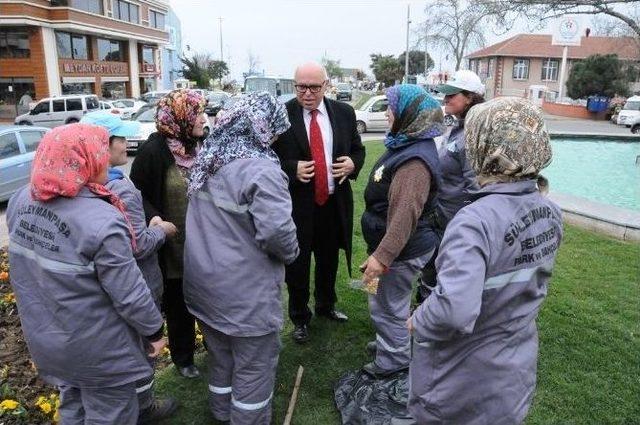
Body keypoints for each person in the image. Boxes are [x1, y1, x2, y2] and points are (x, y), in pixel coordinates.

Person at [408, 97, 563, 424]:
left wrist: (418, 320)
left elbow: (454, 312)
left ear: (485, 145)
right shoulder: (549, 211)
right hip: (513, 373)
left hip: (460, 386)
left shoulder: (474, 222)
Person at [6, 124, 166, 425]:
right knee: (112, 413)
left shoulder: (22, 200)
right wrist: (154, 331)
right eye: (100, 152)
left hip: (49, 338)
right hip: (99, 350)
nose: (105, 159)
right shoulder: (103, 220)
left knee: (73, 405)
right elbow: (129, 292)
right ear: (83, 159)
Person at [184, 92, 299, 424]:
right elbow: (279, 235)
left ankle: (221, 413)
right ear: (261, 127)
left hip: (204, 287)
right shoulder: (261, 172)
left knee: (221, 357)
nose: (276, 137)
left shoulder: (208, 160)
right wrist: (291, 254)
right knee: (253, 368)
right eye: (275, 129)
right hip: (244, 295)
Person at [80, 112, 178, 423]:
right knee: (141, 353)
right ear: (102, 147)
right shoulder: (119, 189)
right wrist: (162, 230)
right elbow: (137, 246)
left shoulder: (80, 182)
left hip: (101, 291)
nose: (126, 145)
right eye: (121, 140)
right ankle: (145, 406)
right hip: (139, 283)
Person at [272, 62, 366, 343]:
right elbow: (265, 157)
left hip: (332, 203)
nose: (308, 93)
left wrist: (352, 163)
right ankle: (300, 317)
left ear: (326, 86)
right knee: (297, 264)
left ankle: (326, 305)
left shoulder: (344, 113)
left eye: (314, 87)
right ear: (294, 85)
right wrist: (290, 169)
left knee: (328, 259)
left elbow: (358, 150)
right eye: (301, 87)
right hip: (297, 207)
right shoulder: (281, 115)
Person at [359, 84, 445, 377]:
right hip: (390, 246)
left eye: (392, 109)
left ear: (409, 115)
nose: (387, 113)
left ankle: (393, 360)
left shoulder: (414, 162)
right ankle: (390, 342)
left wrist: (381, 258)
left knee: (388, 307)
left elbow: (404, 215)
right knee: (381, 299)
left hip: (399, 251)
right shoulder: (407, 142)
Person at [130, 89, 208, 378]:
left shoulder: (201, 145)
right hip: (173, 245)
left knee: (211, 295)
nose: (203, 119)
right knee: (179, 304)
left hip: (206, 240)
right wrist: (155, 218)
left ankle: (214, 341)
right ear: (180, 118)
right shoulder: (153, 152)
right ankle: (183, 357)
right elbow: (137, 195)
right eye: (197, 113)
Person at [416, 69, 486, 303]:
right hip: (440, 218)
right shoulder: (458, 128)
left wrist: (466, 227)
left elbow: (477, 189)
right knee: (431, 271)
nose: (445, 99)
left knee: (445, 278)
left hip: (455, 224)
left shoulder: (473, 135)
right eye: (445, 94)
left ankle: (431, 324)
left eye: (451, 94)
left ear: (470, 97)